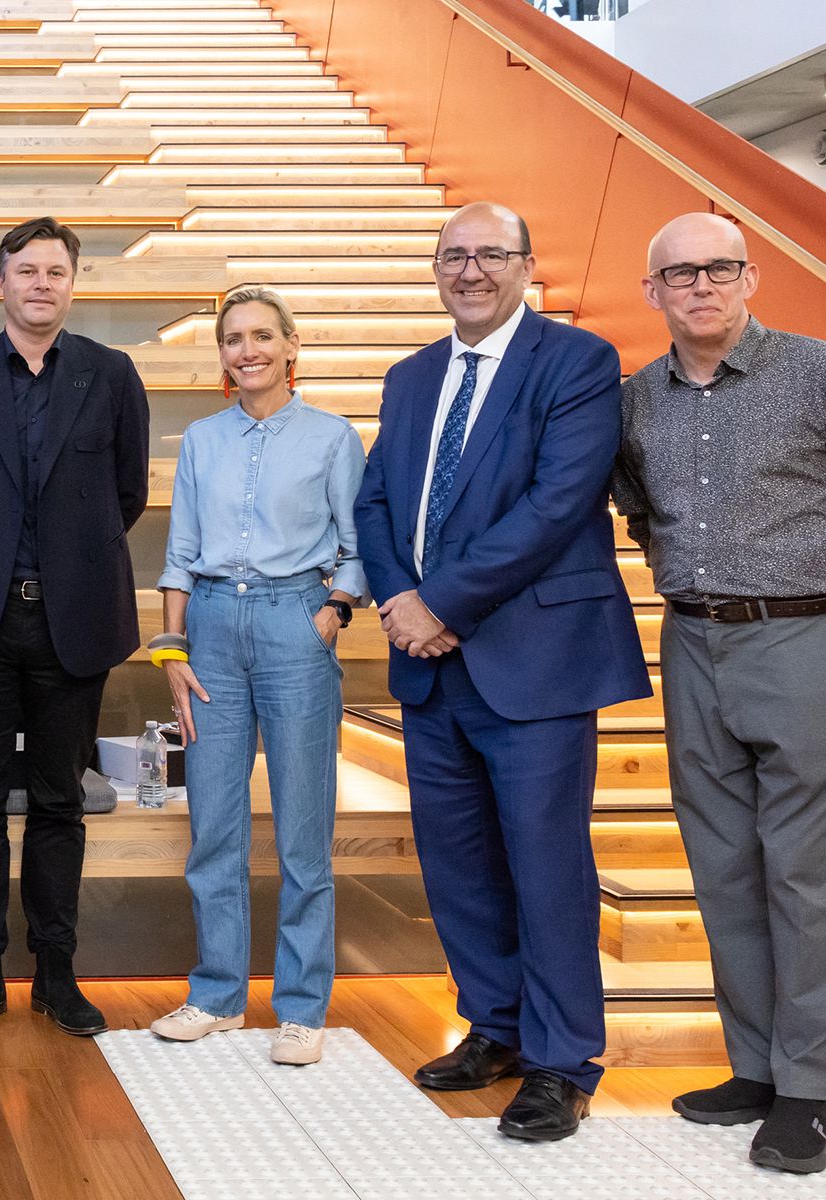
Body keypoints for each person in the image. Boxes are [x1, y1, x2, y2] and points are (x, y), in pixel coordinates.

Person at [353, 202, 649, 1141]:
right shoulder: (410, 377)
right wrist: (402, 604)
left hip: (536, 663)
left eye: (490, 254)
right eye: (453, 255)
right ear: (434, 269)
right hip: (431, 669)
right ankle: (496, 1026)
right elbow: (375, 504)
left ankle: (563, 1061)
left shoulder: (576, 363)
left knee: (546, 865)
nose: (470, 270)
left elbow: (557, 504)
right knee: (458, 865)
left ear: (525, 264)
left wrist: (439, 603)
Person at [612, 212, 826, 1175]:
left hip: (798, 636)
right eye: (679, 273)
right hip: (690, 641)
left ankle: (811, 1088)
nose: (700, 286)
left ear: (750, 278)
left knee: (801, 872)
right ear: (651, 292)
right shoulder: (632, 401)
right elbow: (632, 507)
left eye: (718, 268)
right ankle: (754, 1066)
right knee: (723, 866)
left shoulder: (812, 372)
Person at [0, 216, 150, 1039]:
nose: (40, 283)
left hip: (72, 622)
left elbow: (126, 495)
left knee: (59, 804)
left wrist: (60, 564)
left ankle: (55, 972)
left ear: (72, 284)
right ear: (0, 281)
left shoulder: (112, 374)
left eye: (55, 271)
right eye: (26, 270)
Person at [147, 285, 365, 1066]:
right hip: (207, 629)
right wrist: (171, 651)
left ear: (291, 346)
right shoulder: (201, 439)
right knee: (213, 825)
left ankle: (302, 1007)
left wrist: (332, 611)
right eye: (233, 339)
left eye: (262, 337)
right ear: (222, 355)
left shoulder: (334, 438)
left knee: (304, 830)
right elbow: (177, 552)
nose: (248, 351)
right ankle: (216, 995)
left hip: (292, 622)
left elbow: (356, 541)